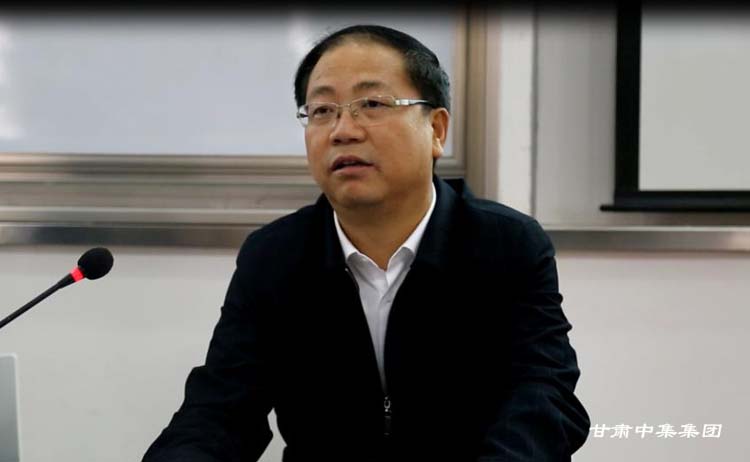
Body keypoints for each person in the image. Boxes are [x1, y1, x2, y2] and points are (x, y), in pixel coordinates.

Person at [143, 24, 589, 462]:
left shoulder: (505, 244)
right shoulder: (274, 256)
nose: (343, 130)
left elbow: (544, 394)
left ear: (436, 129)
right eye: (322, 110)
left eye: (372, 104)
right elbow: (220, 411)